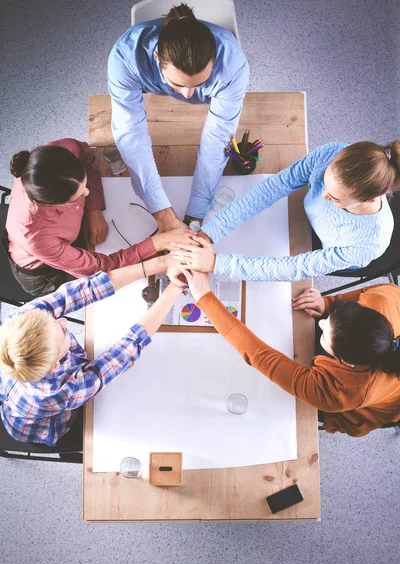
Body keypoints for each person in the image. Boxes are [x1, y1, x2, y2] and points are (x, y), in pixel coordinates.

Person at [181, 268, 400, 437]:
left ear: (344, 362)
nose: (321, 325)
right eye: (330, 319)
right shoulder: (384, 299)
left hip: (361, 408)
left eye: (325, 335)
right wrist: (327, 304)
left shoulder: (340, 393)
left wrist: (204, 297)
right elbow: (364, 294)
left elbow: (260, 356)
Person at [0, 258, 185, 446]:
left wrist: (161, 263)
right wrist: (174, 289)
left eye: (52, 319)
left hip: (15, 394)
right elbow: (125, 351)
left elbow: (87, 289)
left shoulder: (21, 320)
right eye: (63, 332)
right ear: (55, 364)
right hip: (37, 427)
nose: (63, 321)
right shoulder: (61, 391)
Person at [108, 3, 249, 232]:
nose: (187, 95)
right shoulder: (124, 57)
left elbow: (217, 137)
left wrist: (195, 215)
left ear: (214, 60)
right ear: (156, 58)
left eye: (200, 83)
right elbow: (130, 133)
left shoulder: (233, 64)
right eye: (177, 84)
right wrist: (162, 213)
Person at [170, 141, 400, 281]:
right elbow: (276, 186)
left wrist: (216, 264)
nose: (322, 195)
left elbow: (297, 267)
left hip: (331, 251)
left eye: (334, 197)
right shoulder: (332, 152)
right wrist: (209, 232)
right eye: (324, 183)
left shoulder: (369, 243)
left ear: (370, 198)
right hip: (304, 221)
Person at [5, 138, 194, 296]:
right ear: (53, 205)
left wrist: (93, 210)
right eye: (77, 197)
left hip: (64, 240)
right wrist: (156, 243)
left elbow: (88, 158)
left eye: (84, 185)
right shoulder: (35, 236)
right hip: (44, 273)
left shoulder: (59, 153)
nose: (87, 194)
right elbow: (99, 269)